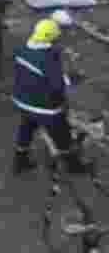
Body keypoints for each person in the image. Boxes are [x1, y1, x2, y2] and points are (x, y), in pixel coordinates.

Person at [12, 15, 92, 176]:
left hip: (23, 101)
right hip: (46, 107)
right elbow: (57, 85)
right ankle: (75, 168)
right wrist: (72, 79)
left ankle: (20, 162)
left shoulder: (21, 50)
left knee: (26, 129)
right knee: (62, 136)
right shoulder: (48, 57)